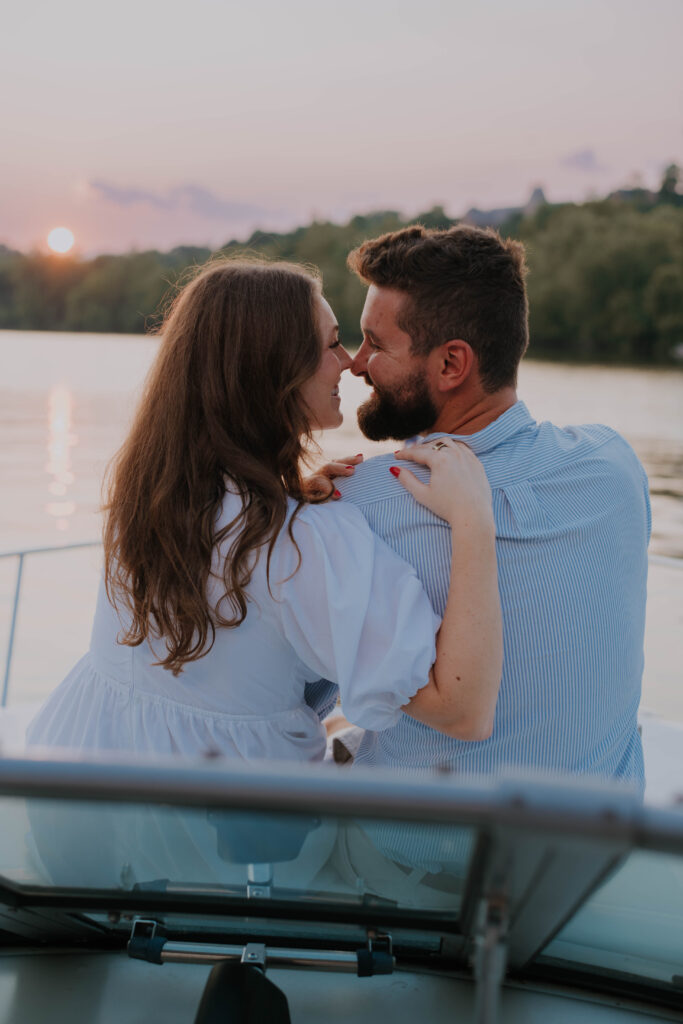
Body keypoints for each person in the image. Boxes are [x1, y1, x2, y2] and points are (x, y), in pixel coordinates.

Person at [27, 258, 502, 766]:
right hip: (224, 824)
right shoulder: (300, 543)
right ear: (273, 370)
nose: (347, 362)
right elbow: (462, 711)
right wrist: (474, 518)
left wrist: (286, 493)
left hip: (80, 779)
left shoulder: (149, 493)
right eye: (329, 343)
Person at [333, 224, 650, 789]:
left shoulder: (361, 504)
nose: (357, 365)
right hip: (589, 860)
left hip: (422, 862)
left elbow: (291, 695)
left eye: (376, 345)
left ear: (452, 365)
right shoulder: (615, 467)